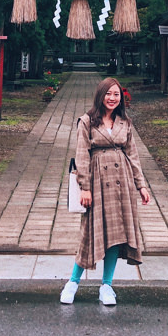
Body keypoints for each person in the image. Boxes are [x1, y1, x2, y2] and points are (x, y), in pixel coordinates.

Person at [60, 77, 150, 306]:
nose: (112, 98)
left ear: (121, 98)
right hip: (97, 182)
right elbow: (82, 154)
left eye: (116, 94)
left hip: (123, 182)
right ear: (100, 95)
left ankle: (107, 286)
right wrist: (85, 188)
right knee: (90, 232)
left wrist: (141, 185)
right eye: (108, 94)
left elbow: (133, 155)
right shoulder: (87, 121)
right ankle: (72, 282)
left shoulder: (125, 122)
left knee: (116, 237)